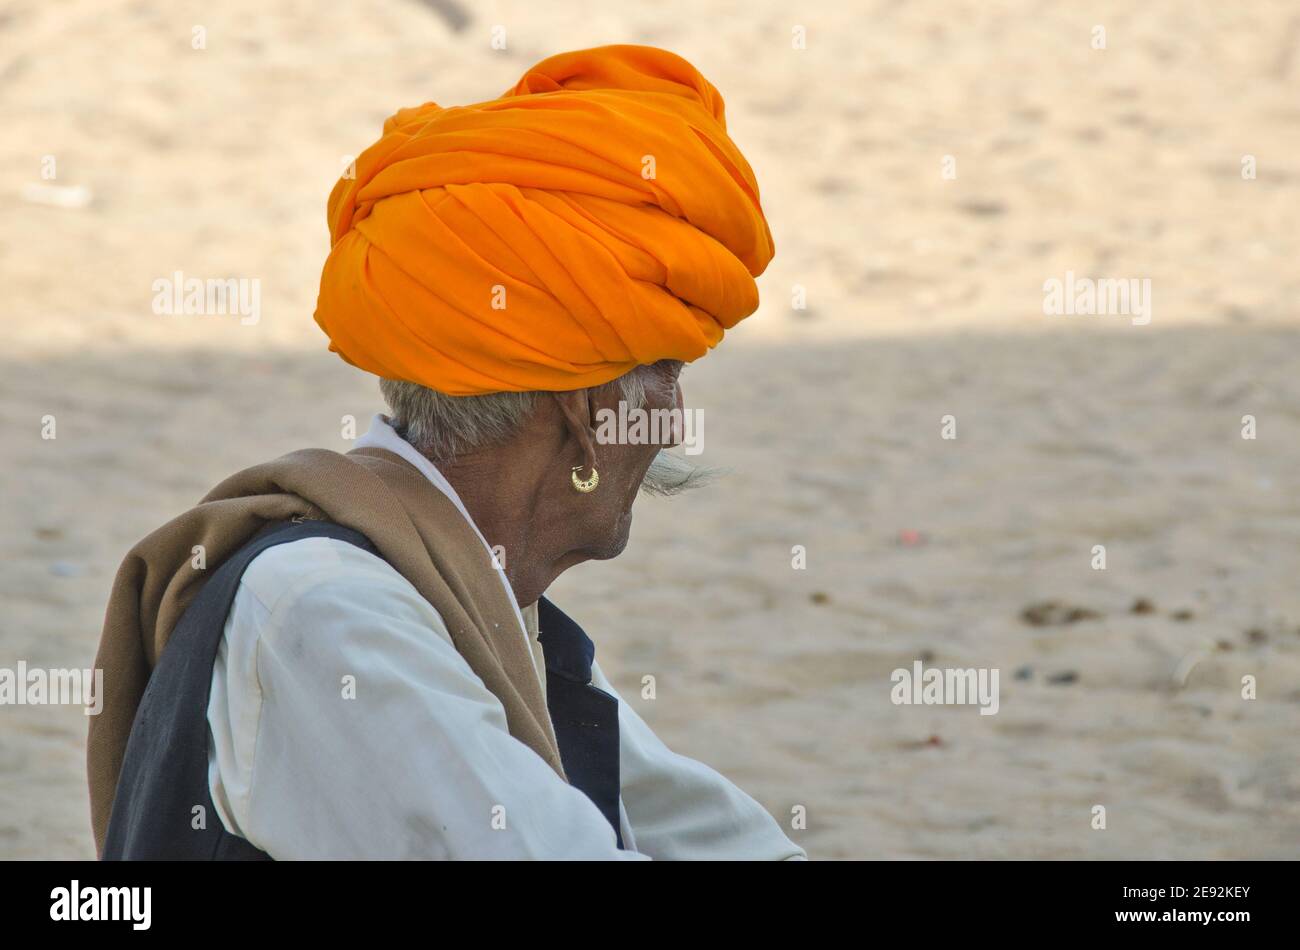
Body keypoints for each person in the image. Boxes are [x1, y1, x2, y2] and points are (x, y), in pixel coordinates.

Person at [88, 44, 804, 860]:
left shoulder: (471, 591)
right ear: (585, 404)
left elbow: (697, 829)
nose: (673, 424)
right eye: (668, 375)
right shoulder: (328, 612)